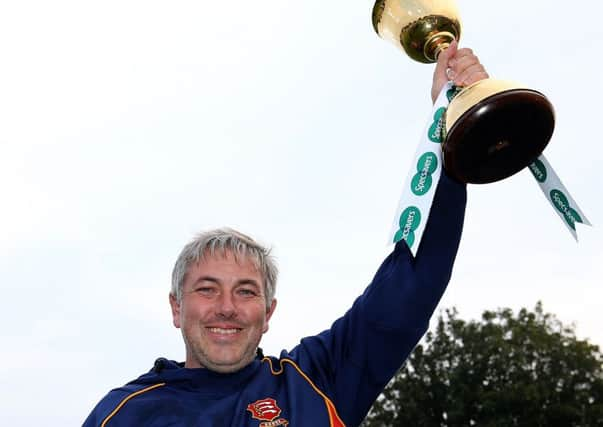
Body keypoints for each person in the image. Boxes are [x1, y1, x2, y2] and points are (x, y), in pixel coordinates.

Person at [83, 42, 488, 427]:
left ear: (269, 312)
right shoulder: (122, 413)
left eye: (246, 291)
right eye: (207, 289)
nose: (227, 307)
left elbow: (413, 283)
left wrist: (451, 126)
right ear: (176, 307)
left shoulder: (315, 381)